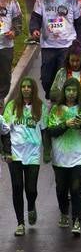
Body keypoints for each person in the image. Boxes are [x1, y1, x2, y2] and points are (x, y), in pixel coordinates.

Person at [47, 78, 81, 235]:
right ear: (64, 92)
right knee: (61, 189)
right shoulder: (56, 109)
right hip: (60, 157)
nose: (71, 93)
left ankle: (77, 220)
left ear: (78, 92)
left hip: (79, 156)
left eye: (74, 90)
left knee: (76, 189)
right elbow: (51, 131)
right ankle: (64, 213)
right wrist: (65, 125)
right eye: (68, 90)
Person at [0, 76, 47, 235]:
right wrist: (5, 151)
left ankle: (31, 206)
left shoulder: (40, 107)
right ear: (20, 89)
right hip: (15, 153)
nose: (26, 89)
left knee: (31, 189)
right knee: (17, 187)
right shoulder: (12, 106)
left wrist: (47, 151)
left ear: (33, 89)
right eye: (23, 86)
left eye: (29, 86)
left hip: (33, 153)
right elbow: (4, 130)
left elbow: (44, 130)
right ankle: (20, 223)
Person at [29, 0, 81, 98]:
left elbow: (79, 22)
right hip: (48, 45)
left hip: (67, 45)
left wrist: (80, 44)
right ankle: (51, 98)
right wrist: (35, 29)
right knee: (46, 78)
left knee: (64, 77)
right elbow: (36, 16)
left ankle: (62, 103)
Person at [0, 0, 22, 105]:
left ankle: (1, 97)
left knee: (4, 72)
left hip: (5, 44)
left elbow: (18, 19)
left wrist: (14, 31)